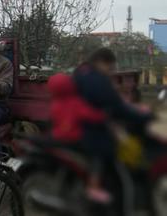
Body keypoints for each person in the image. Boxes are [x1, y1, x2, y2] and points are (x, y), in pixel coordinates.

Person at [71, 47, 155, 203]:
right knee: (120, 176)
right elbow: (114, 106)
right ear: (102, 62)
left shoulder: (82, 74)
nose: (110, 71)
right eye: (110, 67)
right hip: (91, 131)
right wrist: (141, 117)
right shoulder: (96, 79)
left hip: (79, 126)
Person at [48, 73, 108, 203]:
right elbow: (89, 115)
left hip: (58, 139)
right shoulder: (74, 101)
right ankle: (93, 188)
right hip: (74, 140)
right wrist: (104, 116)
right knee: (98, 156)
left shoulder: (55, 103)